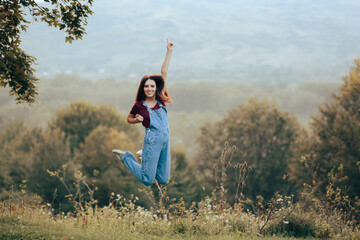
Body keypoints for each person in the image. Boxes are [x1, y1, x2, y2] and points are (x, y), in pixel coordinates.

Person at [112, 39, 174, 186]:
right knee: (147, 180)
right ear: (143, 88)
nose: (150, 89)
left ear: (155, 87)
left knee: (164, 179)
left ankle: (144, 156)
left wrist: (169, 52)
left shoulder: (160, 99)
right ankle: (127, 157)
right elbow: (129, 118)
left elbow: (163, 72)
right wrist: (137, 120)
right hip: (151, 141)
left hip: (166, 139)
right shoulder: (139, 105)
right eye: (147, 86)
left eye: (152, 86)